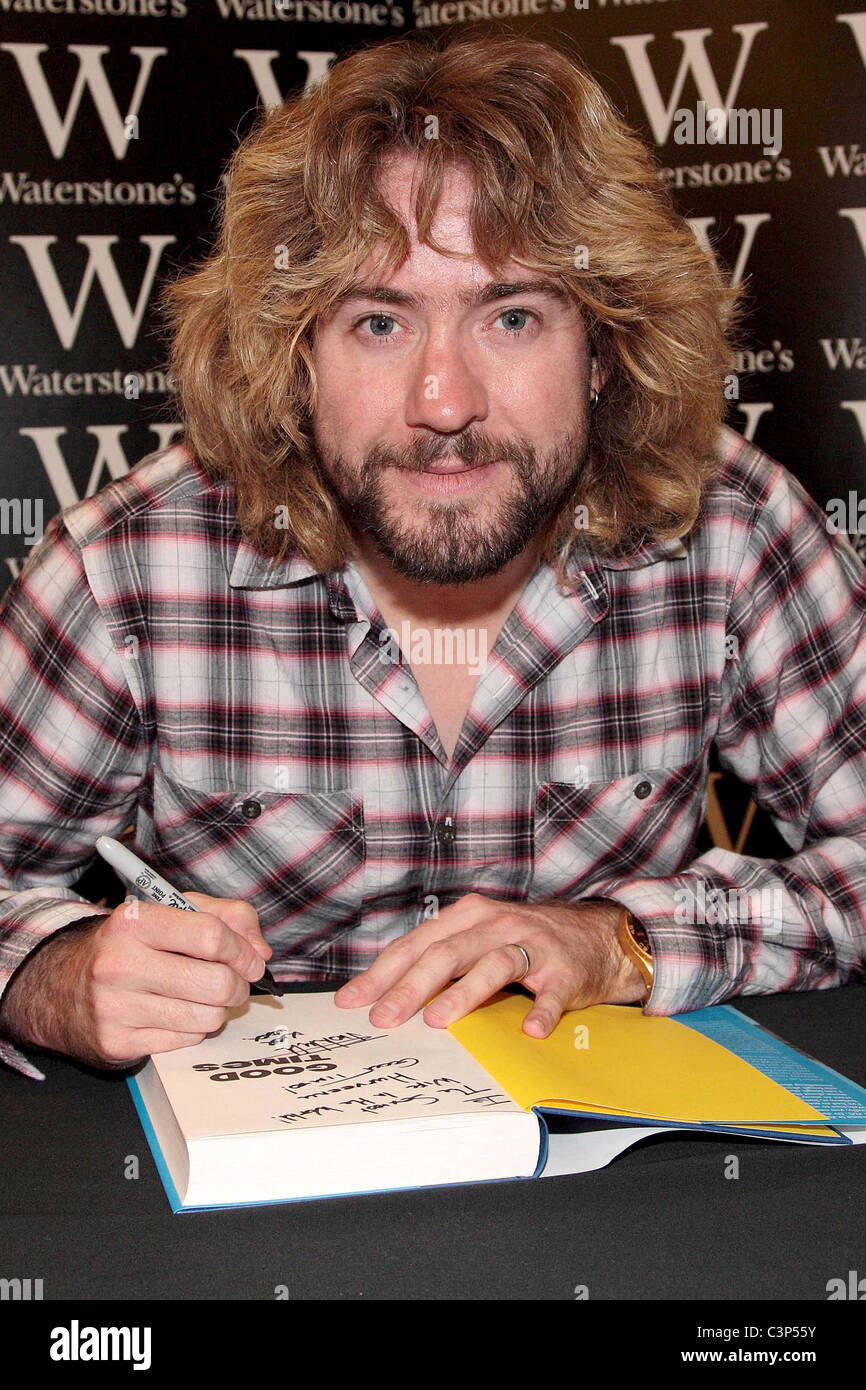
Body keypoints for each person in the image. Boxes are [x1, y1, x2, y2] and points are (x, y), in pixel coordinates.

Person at [0, 31, 864, 1082]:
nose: (442, 404)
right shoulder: (129, 566)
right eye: (377, 322)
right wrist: (54, 970)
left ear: (602, 348)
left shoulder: (728, 527)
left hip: (617, 1194)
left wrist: (621, 940)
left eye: (509, 316)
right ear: (293, 353)